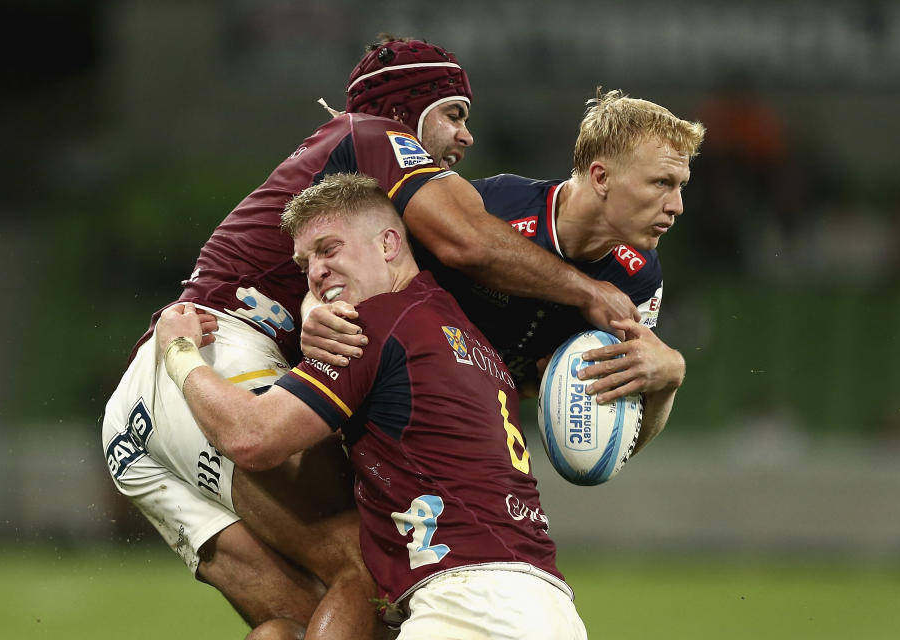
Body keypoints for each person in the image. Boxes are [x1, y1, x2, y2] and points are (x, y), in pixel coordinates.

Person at [102, 35, 637, 639]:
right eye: (454, 114)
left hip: (139, 419)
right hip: (209, 357)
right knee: (369, 566)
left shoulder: (343, 203)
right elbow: (470, 241)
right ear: (407, 110)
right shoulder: (374, 135)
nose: (466, 137)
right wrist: (588, 290)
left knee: (301, 624)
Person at [155, 173, 589, 639]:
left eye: (329, 248)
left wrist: (178, 352)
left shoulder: (373, 326)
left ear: (388, 244)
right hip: (543, 606)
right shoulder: (463, 335)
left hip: (472, 605)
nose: (315, 271)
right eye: (305, 263)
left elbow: (253, 437)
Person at [303, 89, 706, 455]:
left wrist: (669, 379)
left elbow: (610, 450)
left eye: (681, 186)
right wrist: (312, 311)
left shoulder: (639, 278)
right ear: (601, 177)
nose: (677, 205)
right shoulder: (494, 206)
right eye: (661, 183)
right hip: (372, 407)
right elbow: (356, 261)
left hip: (467, 435)